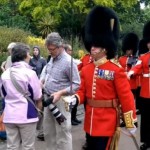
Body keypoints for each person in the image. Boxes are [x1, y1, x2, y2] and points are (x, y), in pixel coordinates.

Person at [69, 6, 137, 150]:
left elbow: (126, 97)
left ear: (105, 48)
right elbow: (82, 91)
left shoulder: (116, 70)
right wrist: (75, 99)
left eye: (96, 45)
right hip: (90, 121)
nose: (92, 48)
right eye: (92, 45)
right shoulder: (87, 69)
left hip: (107, 122)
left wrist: (130, 122)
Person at [1, 43, 42, 150]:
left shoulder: (5, 74)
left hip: (9, 115)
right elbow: (37, 95)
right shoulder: (30, 73)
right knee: (28, 146)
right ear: (24, 56)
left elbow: (3, 94)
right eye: (28, 54)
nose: (30, 56)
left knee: (11, 146)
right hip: (26, 115)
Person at [43, 32, 80, 150]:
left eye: (52, 49)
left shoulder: (69, 62)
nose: (49, 51)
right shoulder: (52, 58)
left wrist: (60, 93)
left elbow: (76, 84)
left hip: (62, 101)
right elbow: (48, 73)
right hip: (48, 99)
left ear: (60, 47)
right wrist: (42, 81)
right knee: (49, 132)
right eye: (48, 49)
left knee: (63, 133)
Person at [128, 21, 150, 150]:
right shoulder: (144, 57)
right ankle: (147, 141)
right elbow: (137, 67)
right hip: (146, 93)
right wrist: (129, 73)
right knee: (146, 119)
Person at [118, 33, 139, 126]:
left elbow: (137, 72)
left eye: (130, 49)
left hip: (132, 84)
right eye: (127, 49)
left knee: (131, 104)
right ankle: (125, 120)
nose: (128, 51)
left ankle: (132, 121)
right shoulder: (121, 59)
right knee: (123, 104)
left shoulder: (136, 59)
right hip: (123, 84)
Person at [64, 44, 81, 125]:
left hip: (73, 85)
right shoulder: (66, 60)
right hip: (67, 86)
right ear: (66, 51)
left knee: (74, 103)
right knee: (68, 105)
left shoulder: (70, 59)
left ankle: (74, 118)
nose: (71, 52)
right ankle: (70, 119)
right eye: (69, 50)